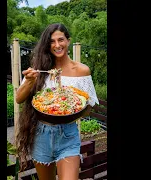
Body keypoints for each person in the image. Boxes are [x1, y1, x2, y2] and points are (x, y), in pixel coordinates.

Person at [15, 23, 99, 180]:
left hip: (68, 135)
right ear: (47, 44)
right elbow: (19, 98)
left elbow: (89, 106)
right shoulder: (39, 68)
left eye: (61, 40)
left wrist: (73, 110)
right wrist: (28, 81)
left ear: (68, 41)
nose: (57, 45)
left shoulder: (82, 70)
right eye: (52, 41)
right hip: (40, 134)